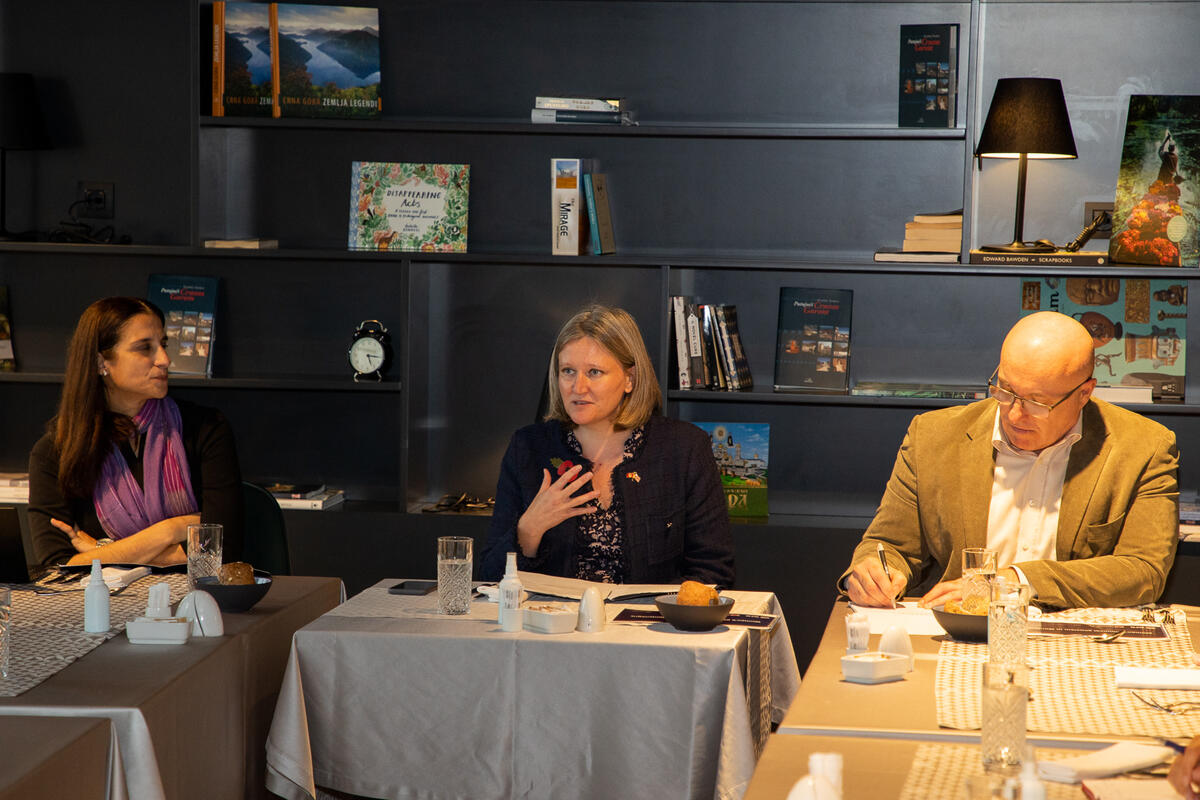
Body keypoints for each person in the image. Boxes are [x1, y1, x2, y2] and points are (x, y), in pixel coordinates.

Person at [842, 311, 1178, 610]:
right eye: (1005, 390)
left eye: (1037, 402)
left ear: (1084, 394)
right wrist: (875, 572)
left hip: (1074, 639)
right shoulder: (932, 437)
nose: (1015, 414)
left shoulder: (1144, 448)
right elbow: (891, 545)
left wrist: (1017, 581)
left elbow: (1143, 571)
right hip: (961, 633)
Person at [480, 305, 734, 586]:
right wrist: (528, 530)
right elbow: (489, 578)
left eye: (594, 372)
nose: (578, 387)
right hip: (549, 614)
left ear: (630, 379)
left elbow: (714, 572)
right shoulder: (528, 448)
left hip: (650, 614)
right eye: (568, 371)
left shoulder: (684, 448)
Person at [27, 297, 243, 567]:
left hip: (195, 594)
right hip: (103, 597)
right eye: (145, 348)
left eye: (163, 345)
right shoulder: (54, 452)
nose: (165, 360)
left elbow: (222, 550)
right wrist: (171, 530)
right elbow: (56, 567)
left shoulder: (206, 428)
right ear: (100, 362)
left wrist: (100, 554)